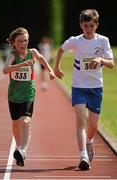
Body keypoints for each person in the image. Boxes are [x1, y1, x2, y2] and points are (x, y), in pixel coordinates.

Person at [54, 9, 114, 170]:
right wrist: (57, 68)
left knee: (93, 125)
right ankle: (83, 156)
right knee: (81, 120)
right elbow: (60, 49)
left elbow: (111, 64)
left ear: (97, 25)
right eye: (86, 25)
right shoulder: (76, 41)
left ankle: (89, 141)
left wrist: (100, 58)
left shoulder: (103, 41)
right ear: (81, 25)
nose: (89, 29)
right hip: (79, 86)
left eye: (92, 26)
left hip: (96, 87)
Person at [3, 27, 55, 166]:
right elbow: (5, 70)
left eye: (25, 41)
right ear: (14, 42)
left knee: (26, 122)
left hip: (28, 94)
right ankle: (19, 148)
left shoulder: (32, 52)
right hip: (14, 95)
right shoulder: (12, 55)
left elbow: (42, 59)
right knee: (15, 124)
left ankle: (23, 151)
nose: (23, 43)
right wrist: (22, 64)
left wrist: (50, 71)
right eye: (20, 41)